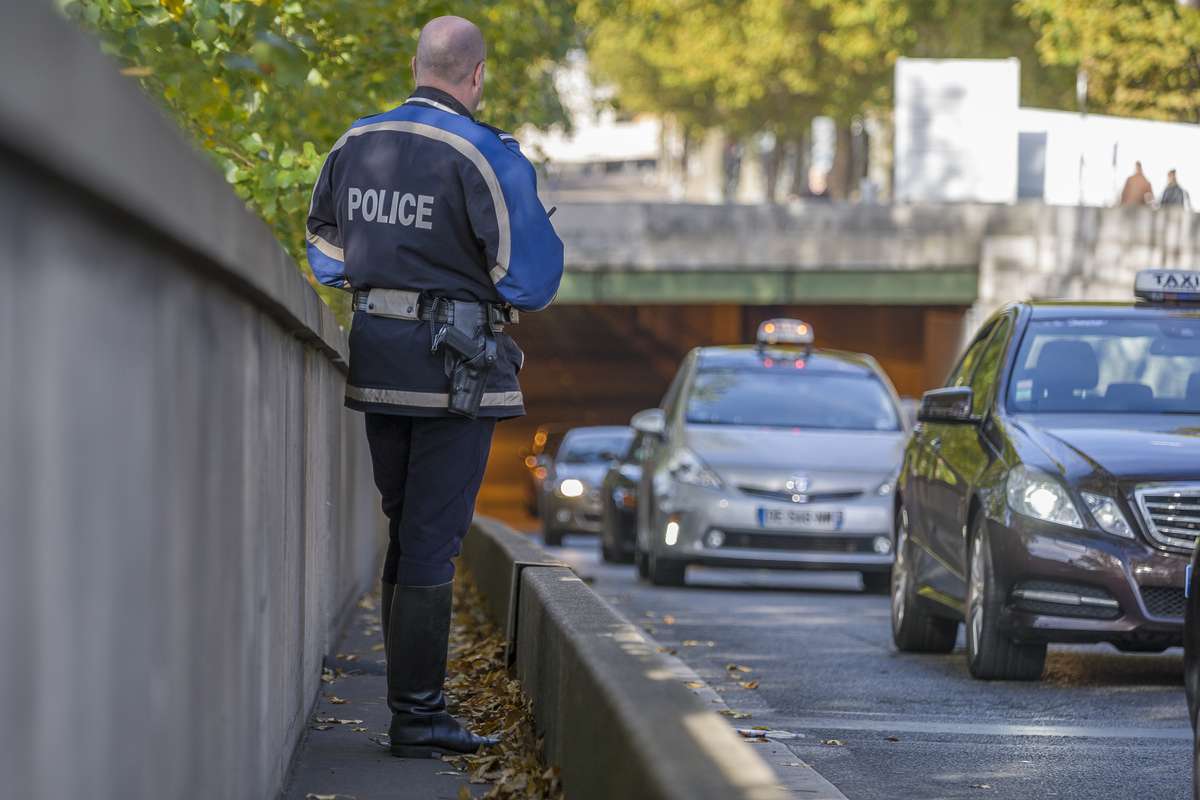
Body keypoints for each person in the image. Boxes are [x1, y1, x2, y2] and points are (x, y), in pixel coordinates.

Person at [304, 15, 563, 758]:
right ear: (476, 75)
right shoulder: (487, 154)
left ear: (417, 65)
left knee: (404, 528)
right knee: (430, 543)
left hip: (379, 364)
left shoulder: (355, 143)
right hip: (454, 374)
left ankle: (412, 707)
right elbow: (533, 279)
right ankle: (417, 718)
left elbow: (324, 250)